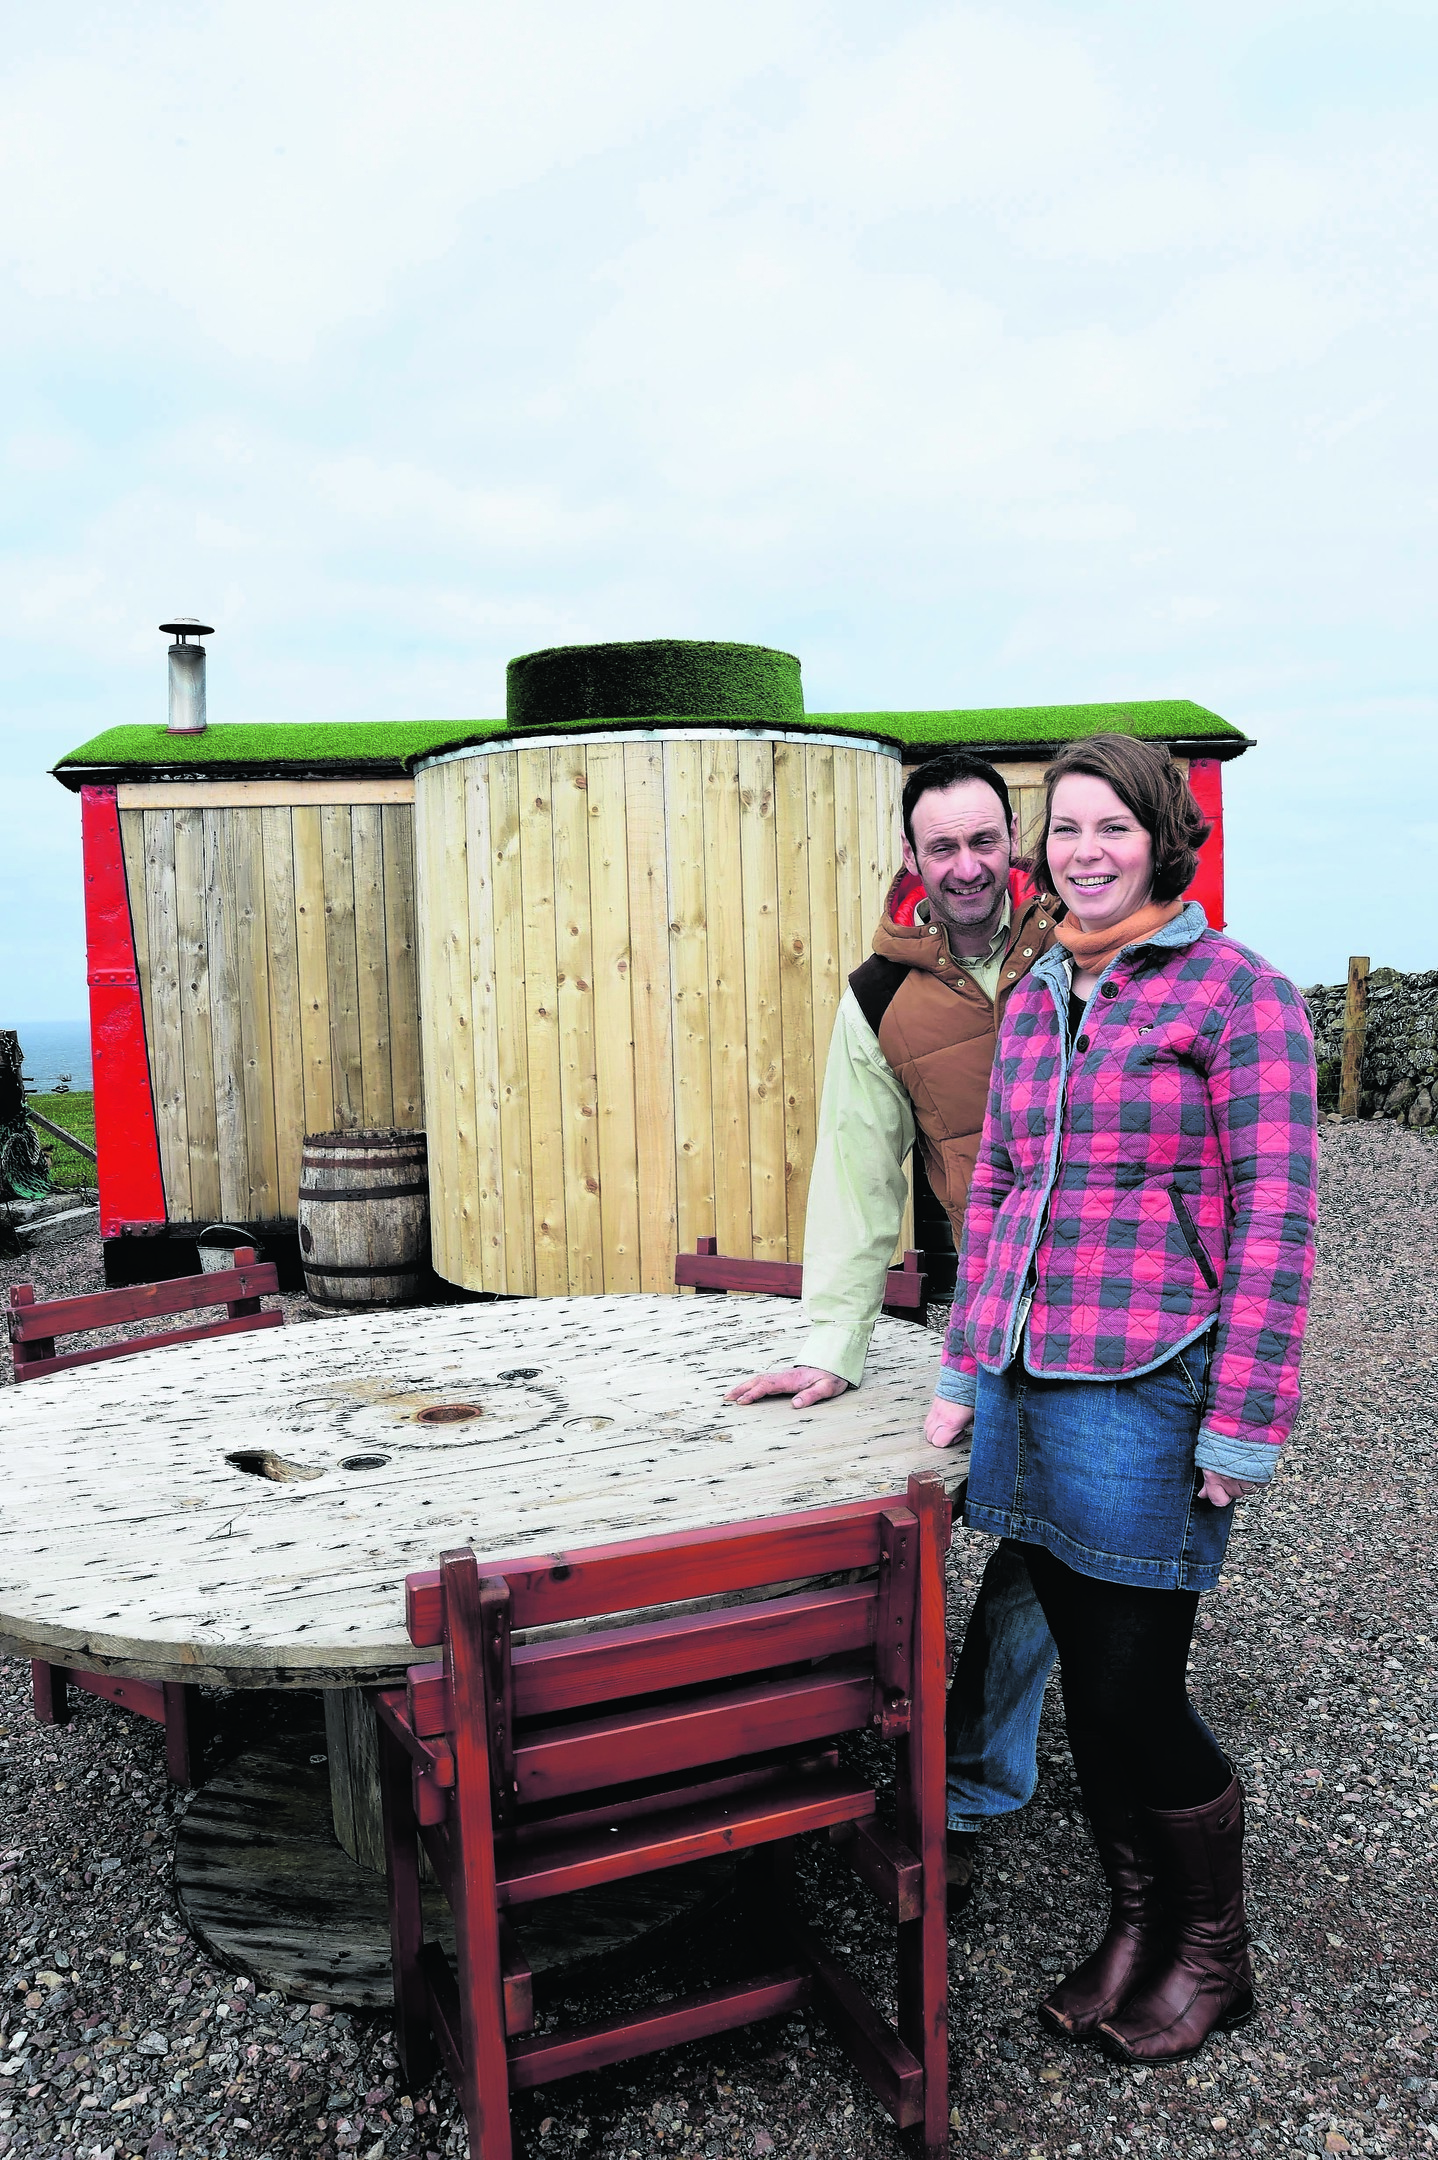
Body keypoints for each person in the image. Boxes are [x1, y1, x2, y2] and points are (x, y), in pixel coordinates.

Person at [926, 732, 1318, 2064]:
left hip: (1152, 1392)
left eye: (1110, 827)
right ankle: (1134, 1932)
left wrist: (1243, 1420)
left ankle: (1213, 1956)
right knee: (1087, 1697)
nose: (1081, 853)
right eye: (1064, 830)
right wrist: (964, 1363)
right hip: (1036, 1386)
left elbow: (1276, 1217)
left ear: (1163, 832)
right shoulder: (1042, 991)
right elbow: (997, 1194)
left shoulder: (1236, 997)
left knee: (1137, 1693)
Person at [727, 750, 1062, 1899]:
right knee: (930, 1525)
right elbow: (857, 1180)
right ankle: (893, 1755)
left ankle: (973, 1775)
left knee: (1062, 1541)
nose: (965, 866)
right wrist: (831, 1344)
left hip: (1125, 1295)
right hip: (990, 1293)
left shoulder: (1093, 941)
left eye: (983, 842)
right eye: (941, 847)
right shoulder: (876, 993)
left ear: (1011, 844)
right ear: (909, 859)